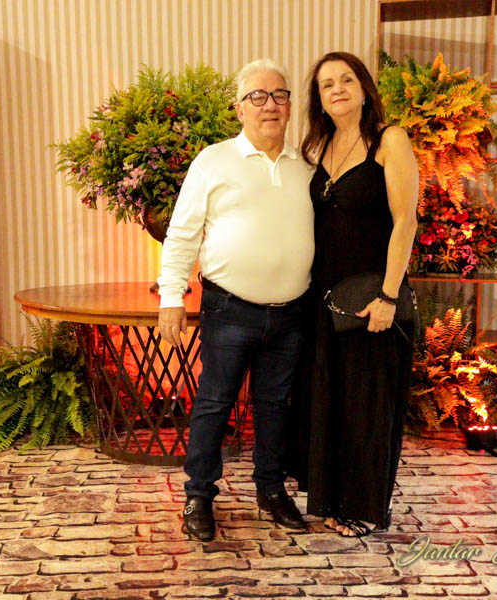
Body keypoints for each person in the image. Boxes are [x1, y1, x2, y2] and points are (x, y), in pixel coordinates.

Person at [157, 58, 314, 542]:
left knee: (275, 406)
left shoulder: (307, 166)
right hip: (229, 309)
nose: (270, 105)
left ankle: (271, 490)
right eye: (257, 96)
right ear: (239, 109)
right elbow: (182, 233)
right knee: (213, 404)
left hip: (291, 313)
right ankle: (199, 495)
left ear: (290, 106)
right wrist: (171, 296)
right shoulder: (214, 160)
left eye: (279, 95)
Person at [285, 52, 419, 537]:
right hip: (322, 298)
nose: (337, 89)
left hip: (371, 298)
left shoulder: (389, 139)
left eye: (346, 80)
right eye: (326, 84)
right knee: (328, 400)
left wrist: (388, 296)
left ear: (363, 89)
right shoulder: (318, 146)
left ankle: (360, 507)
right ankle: (328, 500)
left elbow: (406, 221)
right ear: (318, 99)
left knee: (367, 405)